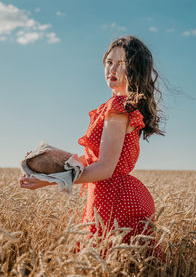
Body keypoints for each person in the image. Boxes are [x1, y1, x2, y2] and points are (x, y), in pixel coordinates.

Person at [20, 36, 164, 252]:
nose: (112, 69)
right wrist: (56, 159)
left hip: (114, 200)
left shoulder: (118, 107)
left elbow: (105, 169)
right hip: (120, 196)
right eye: (109, 62)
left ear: (135, 69)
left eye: (122, 64)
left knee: (105, 260)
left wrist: (50, 181)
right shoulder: (119, 107)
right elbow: (97, 159)